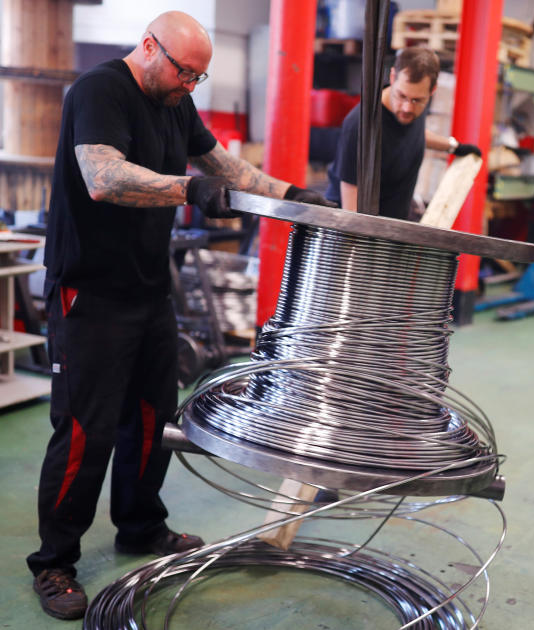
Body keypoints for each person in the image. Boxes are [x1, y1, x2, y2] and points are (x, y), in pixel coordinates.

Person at [27, 11, 331, 621]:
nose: (190, 85)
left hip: (146, 289)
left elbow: (224, 167)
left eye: (200, 76)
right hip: (89, 292)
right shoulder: (100, 90)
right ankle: (55, 560)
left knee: (152, 417)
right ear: (148, 47)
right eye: (184, 71)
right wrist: (187, 190)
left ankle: (140, 527)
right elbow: (103, 177)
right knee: (87, 427)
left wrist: (290, 197)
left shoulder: (175, 101)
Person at [325, 46, 483, 220]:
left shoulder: (411, 110)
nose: (408, 107)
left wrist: (453, 146)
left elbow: (412, 135)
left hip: (393, 224)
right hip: (361, 230)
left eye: (417, 100)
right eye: (402, 96)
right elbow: (351, 208)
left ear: (433, 90)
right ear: (392, 77)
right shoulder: (361, 127)